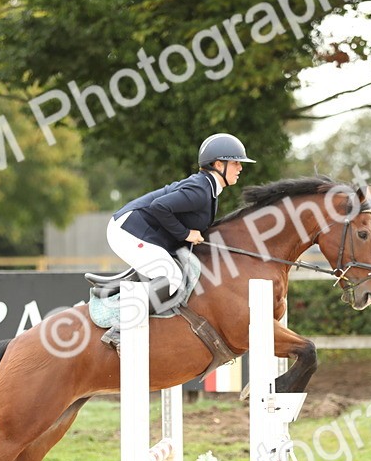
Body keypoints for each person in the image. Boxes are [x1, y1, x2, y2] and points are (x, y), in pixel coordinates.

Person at [101, 133, 255, 346]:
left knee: (174, 272)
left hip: (141, 230)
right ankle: (119, 331)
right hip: (127, 229)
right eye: (236, 163)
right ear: (219, 164)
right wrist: (185, 234)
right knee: (171, 277)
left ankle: (112, 293)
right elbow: (159, 207)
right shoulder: (201, 189)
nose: (241, 168)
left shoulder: (209, 189)